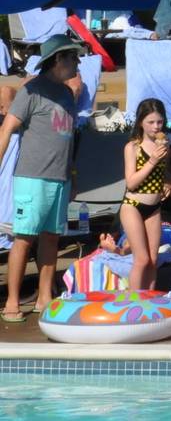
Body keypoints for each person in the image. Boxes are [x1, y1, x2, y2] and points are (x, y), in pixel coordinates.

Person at [0, 34, 82, 322]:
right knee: (23, 238)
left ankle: (44, 297)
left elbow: (68, 140)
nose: (78, 62)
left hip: (59, 178)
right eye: (74, 57)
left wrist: (72, 175)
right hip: (32, 177)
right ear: (58, 58)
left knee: (51, 238)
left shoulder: (67, 95)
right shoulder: (32, 91)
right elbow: (6, 130)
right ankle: (12, 301)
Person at [119, 98, 171, 290]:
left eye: (159, 122)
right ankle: (133, 300)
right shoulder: (133, 147)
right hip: (133, 206)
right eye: (151, 122)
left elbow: (160, 176)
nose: (156, 127)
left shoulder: (163, 146)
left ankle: (149, 299)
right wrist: (152, 161)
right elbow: (132, 182)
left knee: (152, 259)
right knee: (141, 259)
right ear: (140, 122)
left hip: (154, 207)